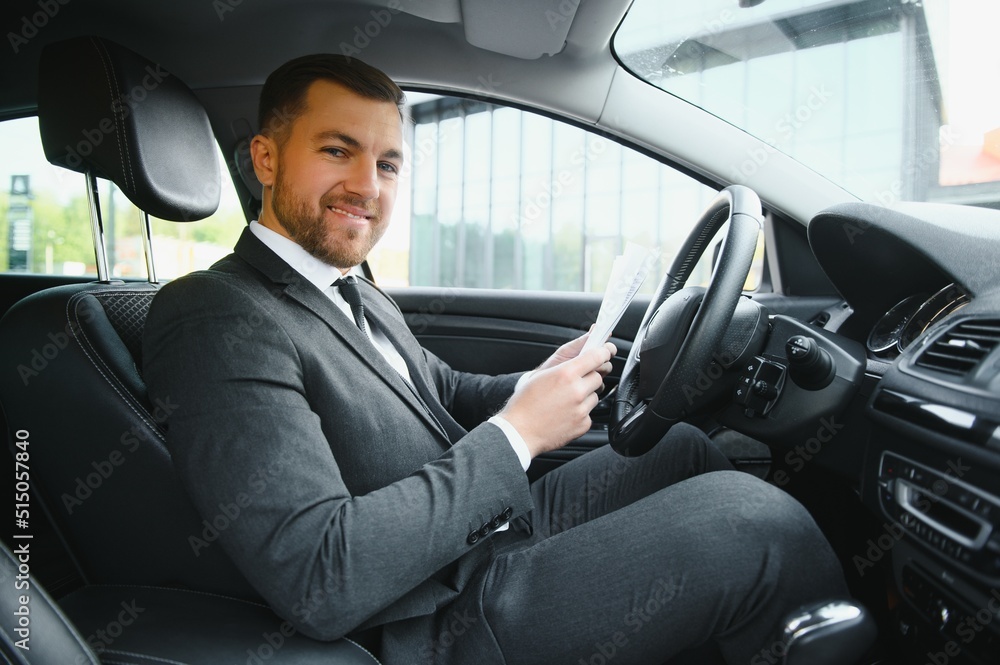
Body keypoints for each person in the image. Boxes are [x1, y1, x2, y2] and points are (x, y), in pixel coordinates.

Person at [142, 54, 848, 665]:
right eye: (337, 150)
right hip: (433, 618)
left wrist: (537, 384)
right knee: (757, 525)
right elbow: (321, 575)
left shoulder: (347, 284)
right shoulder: (214, 315)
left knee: (685, 450)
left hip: (479, 537)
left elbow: (439, 389)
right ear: (266, 158)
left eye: (387, 162)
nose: (369, 185)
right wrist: (519, 434)